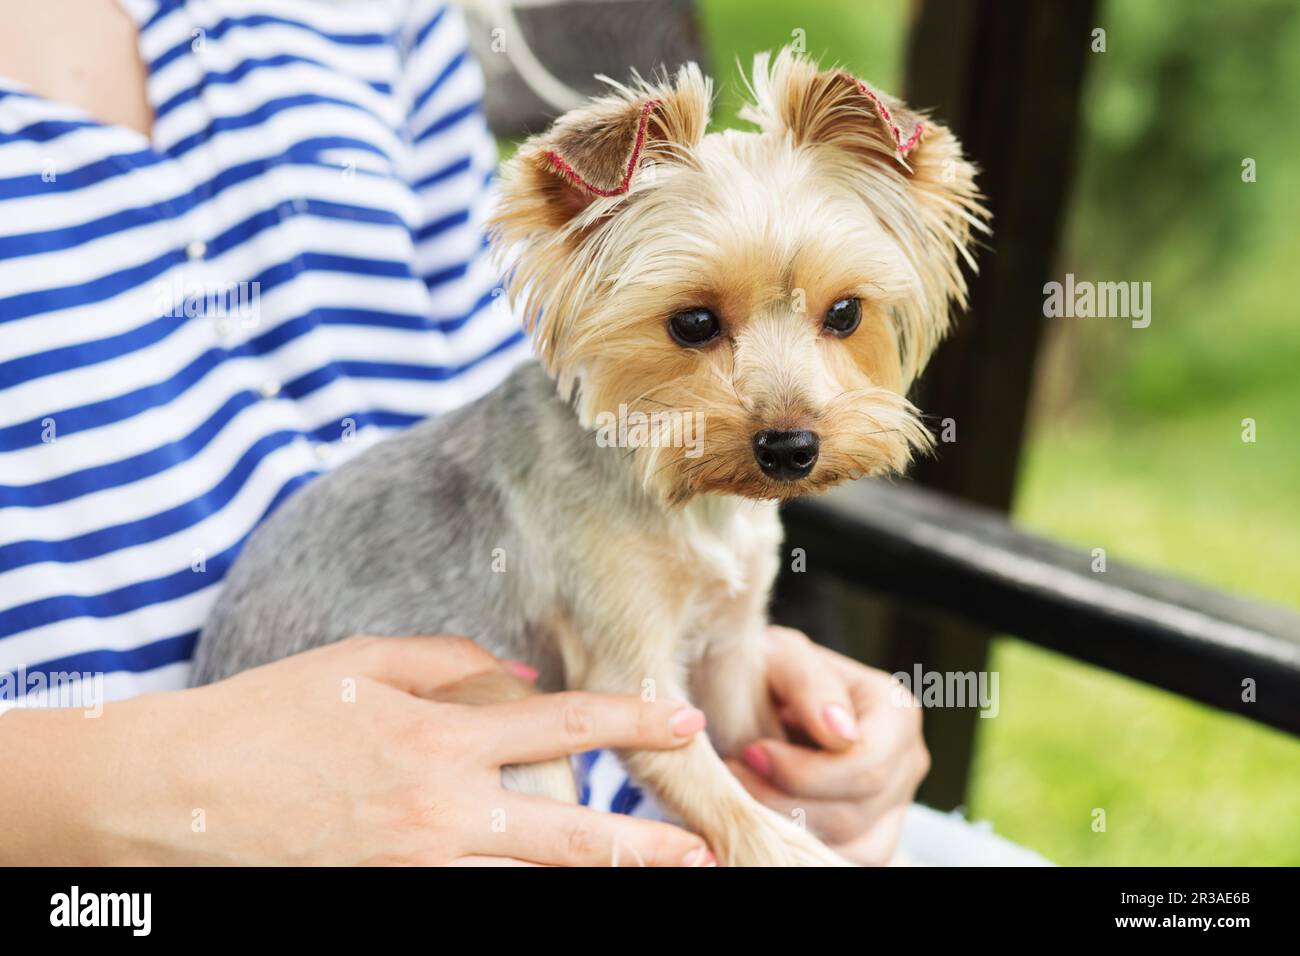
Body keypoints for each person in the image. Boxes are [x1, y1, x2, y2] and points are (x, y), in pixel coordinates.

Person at [0, 0, 1040, 866]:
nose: (789, 412)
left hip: (595, 785)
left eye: (841, 317)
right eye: (695, 324)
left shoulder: (350, 18)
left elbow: (550, 525)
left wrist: (785, 722)